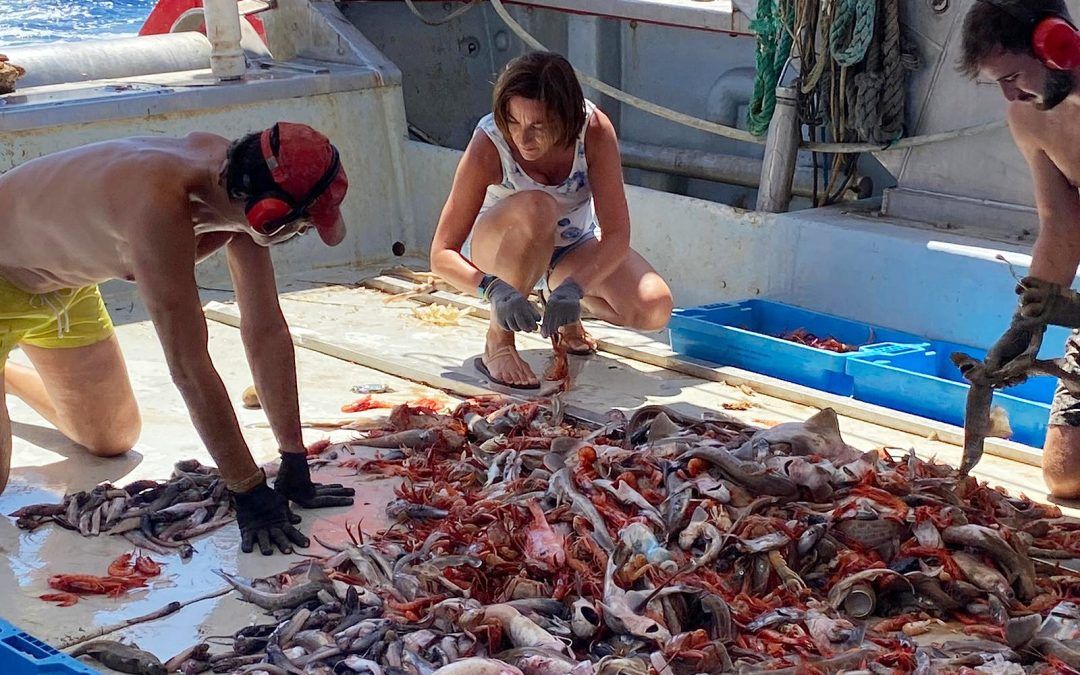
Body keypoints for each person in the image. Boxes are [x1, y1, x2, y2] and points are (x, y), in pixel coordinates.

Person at [0, 122, 356, 554]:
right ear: (268, 214)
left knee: (111, 439)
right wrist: (247, 490)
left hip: (63, 285)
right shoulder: (157, 204)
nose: (296, 237)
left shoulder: (238, 179)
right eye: (299, 228)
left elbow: (264, 326)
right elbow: (188, 365)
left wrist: (293, 456)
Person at [430, 51, 674, 389]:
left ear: (567, 119)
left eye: (538, 127)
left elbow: (617, 236)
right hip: (500, 249)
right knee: (538, 207)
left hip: (571, 246)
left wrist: (577, 286)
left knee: (654, 307)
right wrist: (492, 288)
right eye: (513, 122)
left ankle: (559, 301)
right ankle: (497, 341)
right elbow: (441, 254)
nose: (522, 139)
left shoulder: (595, 131)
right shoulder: (489, 141)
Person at [960, 0, 1080, 497]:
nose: (1010, 92)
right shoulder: (1031, 118)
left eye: (1012, 75)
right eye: (998, 82)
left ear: (1057, 44)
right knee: (1064, 475)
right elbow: (1060, 223)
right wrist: (1026, 324)